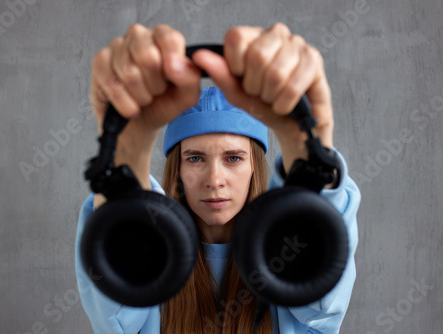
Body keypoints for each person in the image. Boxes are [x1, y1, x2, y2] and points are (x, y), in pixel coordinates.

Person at [75, 22, 361, 333]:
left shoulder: (285, 262)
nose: (214, 179)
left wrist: (305, 147)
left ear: (255, 166)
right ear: (178, 170)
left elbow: (321, 307)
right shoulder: (153, 258)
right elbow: (114, 314)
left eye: (233, 158)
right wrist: (127, 149)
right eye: (195, 158)